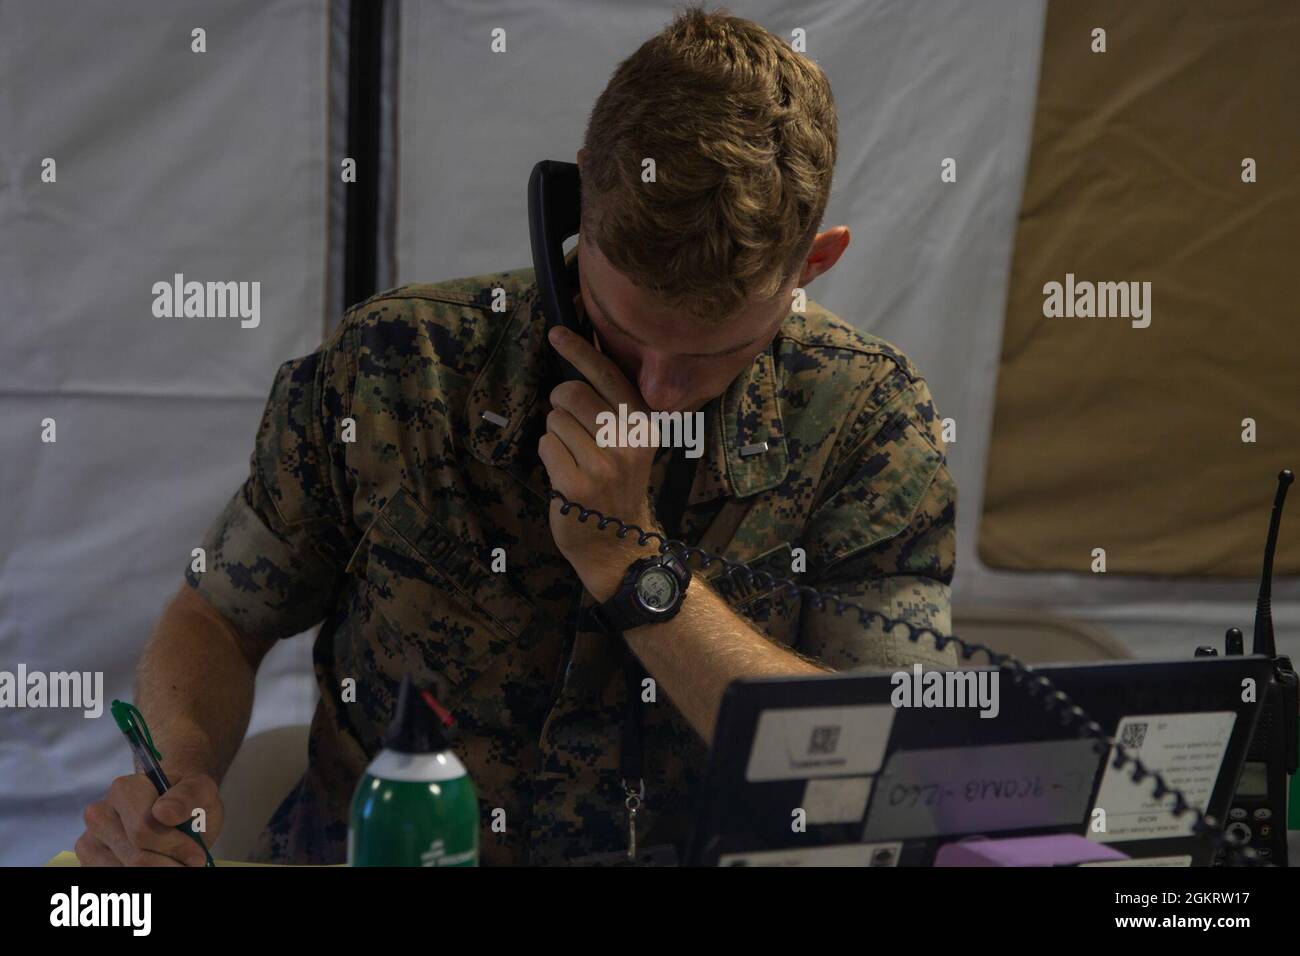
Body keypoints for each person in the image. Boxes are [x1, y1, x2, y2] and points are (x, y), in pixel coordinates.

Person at [76, 7, 957, 867]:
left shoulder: (865, 417)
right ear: (580, 200)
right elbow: (219, 619)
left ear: (816, 260)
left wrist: (636, 570)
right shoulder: (396, 365)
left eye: (714, 352)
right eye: (621, 330)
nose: (655, 387)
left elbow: (878, 758)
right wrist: (178, 777)